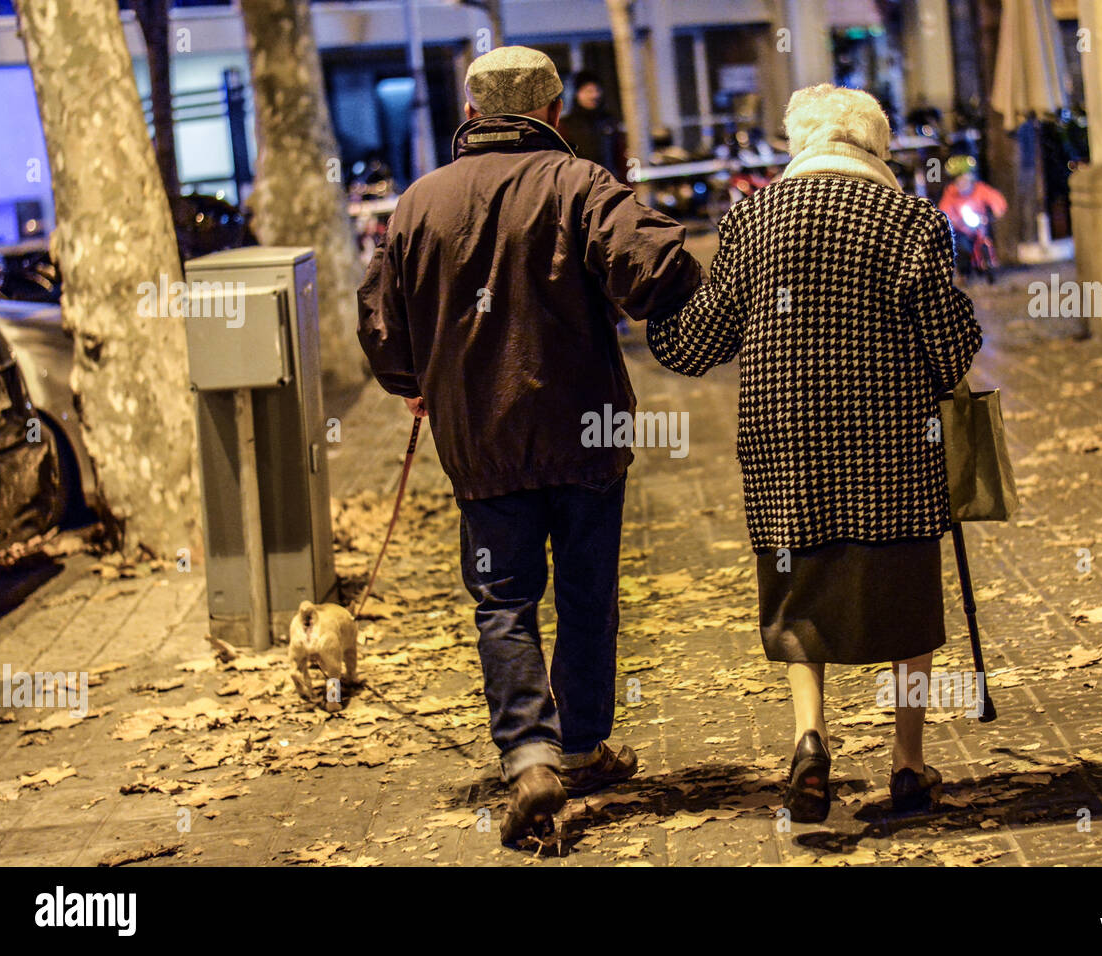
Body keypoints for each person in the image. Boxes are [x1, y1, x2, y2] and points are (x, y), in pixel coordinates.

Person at [357, 46, 703, 846]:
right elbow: (659, 266)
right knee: (588, 592)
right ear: (553, 114)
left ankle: (531, 754)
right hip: (587, 430)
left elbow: (380, 322)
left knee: (504, 599)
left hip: (481, 443)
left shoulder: (418, 203)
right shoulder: (580, 185)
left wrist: (416, 379)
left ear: (472, 115)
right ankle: (581, 745)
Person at [647, 84, 982, 822]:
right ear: (876, 146)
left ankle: (809, 740)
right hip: (891, 447)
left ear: (799, 143)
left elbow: (698, 341)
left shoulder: (751, 220)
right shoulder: (911, 221)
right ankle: (908, 762)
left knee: (798, 597)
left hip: (786, 449)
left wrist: (651, 303)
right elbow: (952, 346)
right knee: (907, 604)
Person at [938, 154, 1007, 276]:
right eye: (959, 179)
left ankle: (991, 263)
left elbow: (995, 198)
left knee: (989, 238)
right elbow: (944, 210)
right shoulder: (950, 194)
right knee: (961, 247)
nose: (963, 182)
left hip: (980, 226)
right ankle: (964, 273)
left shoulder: (980, 189)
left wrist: (997, 209)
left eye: (966, 177)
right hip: (962, 230)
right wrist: (951, 221)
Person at [561, 71, 620, 176]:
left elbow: (619, 157)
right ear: (577, 94)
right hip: (581, 184)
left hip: (610, 182)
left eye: (597, 90)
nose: (594, 95)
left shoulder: (608, 121)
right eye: (589, 91)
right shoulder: (566, 125)